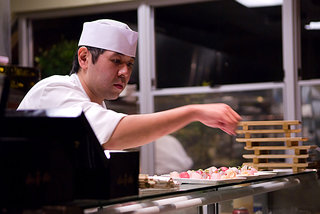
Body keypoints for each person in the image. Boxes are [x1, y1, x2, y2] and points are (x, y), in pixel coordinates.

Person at [17, 19, 241, 150]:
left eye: (129, 64)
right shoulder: (54, 91)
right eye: (116, 61)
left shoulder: (98, 106)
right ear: (84, 58)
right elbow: (115, 133)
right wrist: (193, 112)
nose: (125, 72)